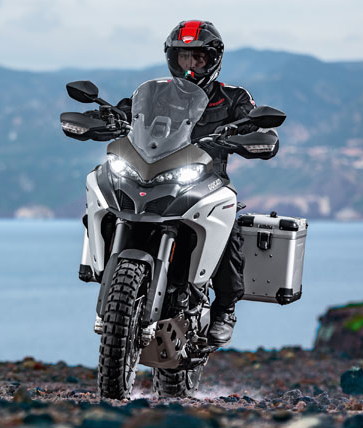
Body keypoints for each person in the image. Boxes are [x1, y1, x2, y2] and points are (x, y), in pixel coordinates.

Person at [116, 20, 280, 346]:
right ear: (172, 59)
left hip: (207, 180)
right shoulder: (156, 95)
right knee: (113, 195)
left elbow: (254, 124)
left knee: (228, 222)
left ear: (213, 59)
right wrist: (109, 116)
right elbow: (127, 111)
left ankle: (225, 309)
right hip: (157, 174)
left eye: (198, 58)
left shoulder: (233, 97)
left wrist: (253, 134)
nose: (190, 65)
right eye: (183, 57)